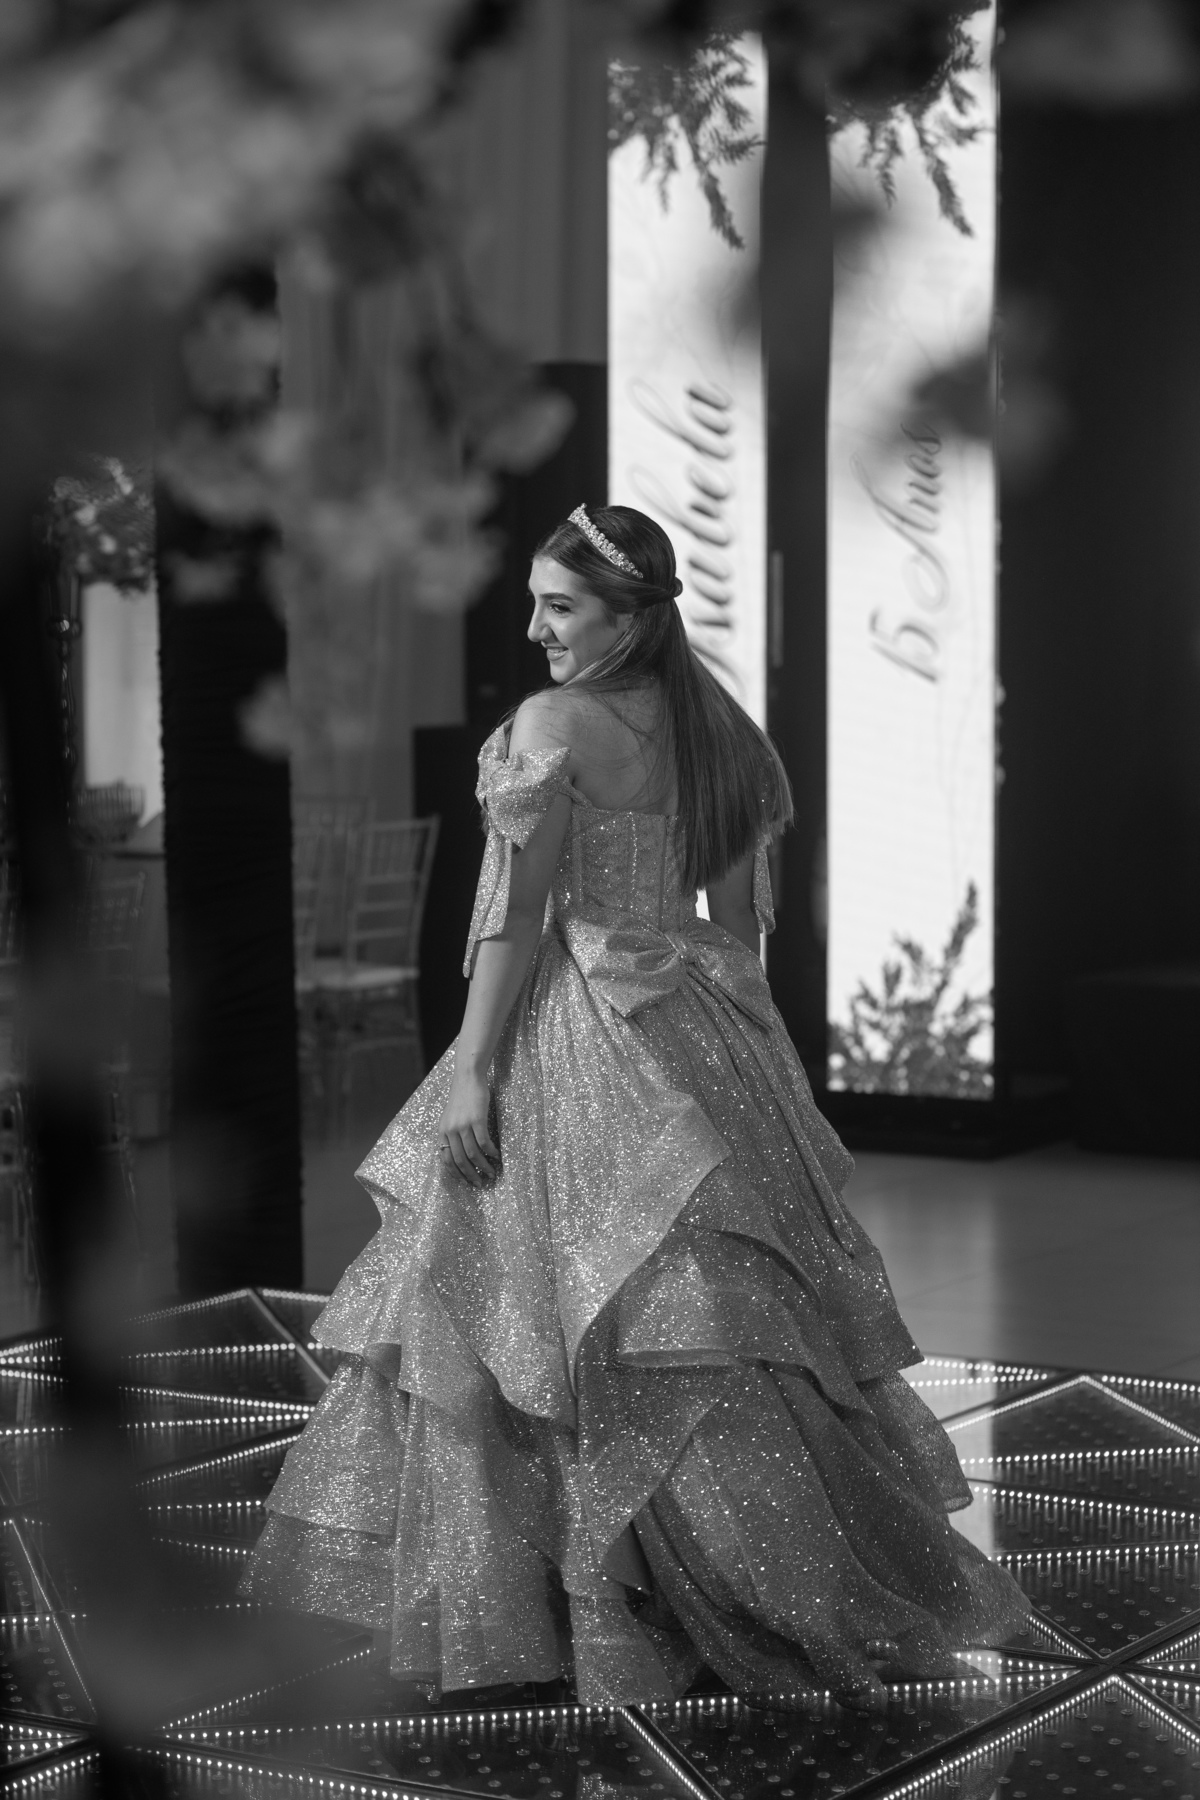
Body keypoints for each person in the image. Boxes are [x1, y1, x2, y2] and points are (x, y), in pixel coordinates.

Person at [241, 503, 1028, 1706]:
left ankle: (577, 1596)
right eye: (536, 603)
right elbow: (739, 934)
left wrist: (474, 1067)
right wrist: (740, 1070)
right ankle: (753, 1574)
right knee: (710, 1318)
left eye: (560, 607)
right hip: (699, 1024)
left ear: (626, 618)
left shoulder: (551, 727)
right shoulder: (724, 733)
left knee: (542, 1310)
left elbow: (515, 919)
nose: (536, 628)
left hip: (576, 1023)